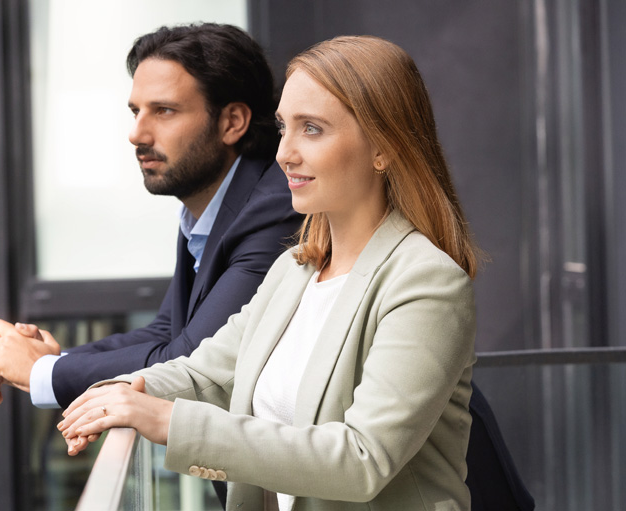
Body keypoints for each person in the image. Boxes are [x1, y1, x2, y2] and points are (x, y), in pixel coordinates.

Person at [58, 35, 484, 510]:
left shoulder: (425, 281)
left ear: (383, 148)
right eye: (284, 127)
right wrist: (121, 393)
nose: (285, 153)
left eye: (313, 129)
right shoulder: (294, 270)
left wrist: (168, 422)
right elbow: (207, 374)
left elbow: (362, 458)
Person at [0, 24, 302, 410]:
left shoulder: (274, 207)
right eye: (135, 111)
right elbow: (166, 331)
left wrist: (41, 371)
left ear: (232, 122)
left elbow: (191, 359)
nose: (136, 133)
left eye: (163, 111)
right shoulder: (210, 204)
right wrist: (49, 360)